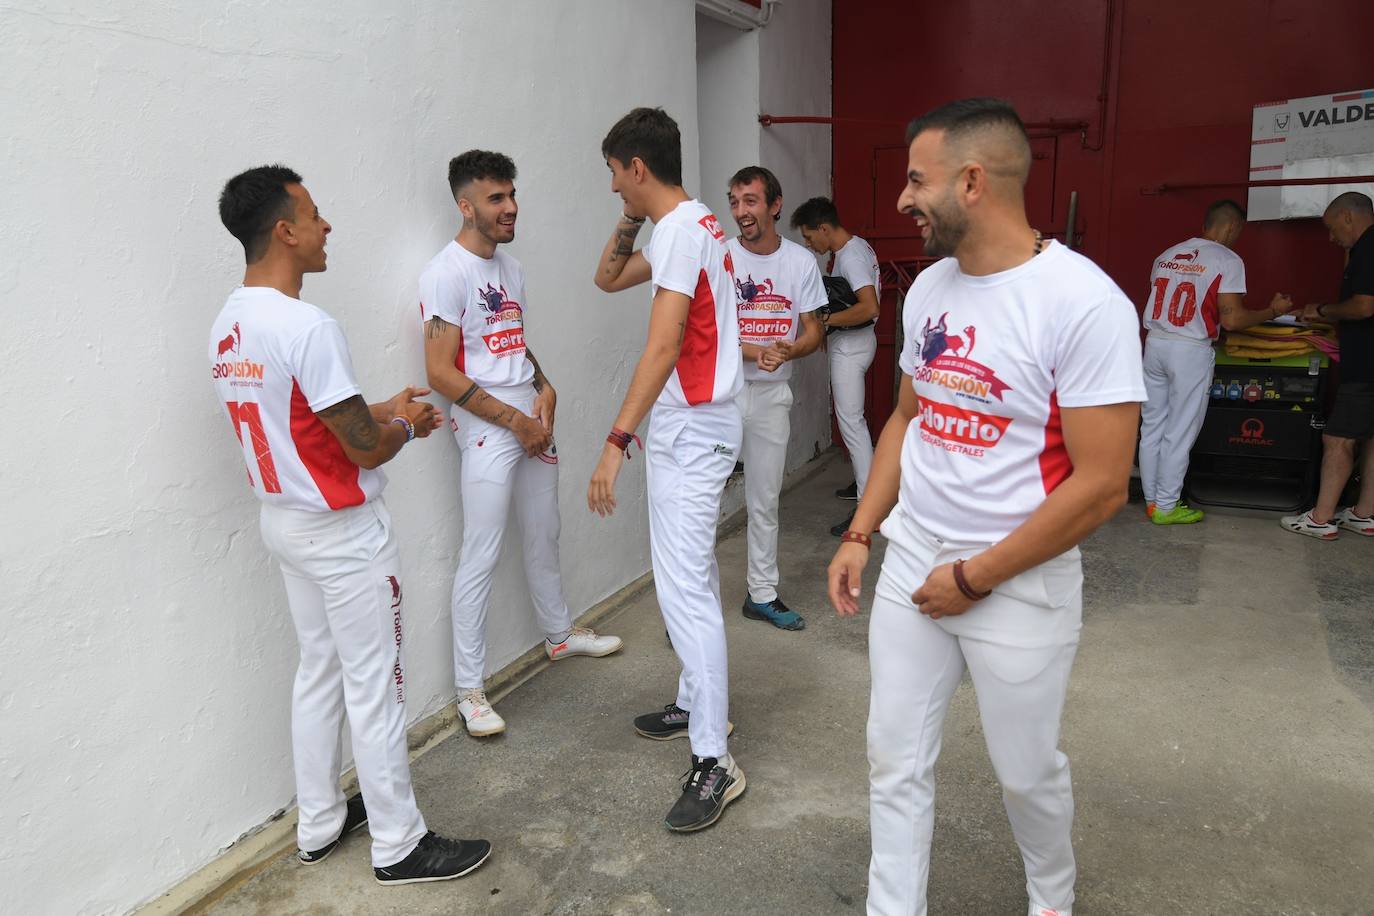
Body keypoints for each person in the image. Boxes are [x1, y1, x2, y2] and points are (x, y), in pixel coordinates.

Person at [826, 99, 1145, 916]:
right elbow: (908, 415)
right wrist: (863, 531)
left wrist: (975, 577)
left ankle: (1051, 898)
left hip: (1020, 579)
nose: (903, 199)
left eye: (916, 180)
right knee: (894, 759)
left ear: (972, 182)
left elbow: (1103, 484)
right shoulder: (930, 288)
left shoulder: (1084, 303)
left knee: (1026, 773)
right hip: (914, 556)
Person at [209, 165, 490, 885]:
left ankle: (320, 821)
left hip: (286, 523)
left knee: (319, 672)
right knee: (376, 688)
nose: (325, 225)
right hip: (342, 535)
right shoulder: (306, 325)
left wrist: (379, 409)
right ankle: (399, 844)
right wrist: (407, 424)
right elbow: (362, 445)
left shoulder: (230, 322)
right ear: (284, 231)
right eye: (313, 213)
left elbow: (307, 416)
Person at [421, 150, 622, 737]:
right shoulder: (445, 273)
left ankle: (558, 636)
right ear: (466, 207)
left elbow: (510, 340)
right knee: (481, 550)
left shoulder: (510, 267)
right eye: (496, 198)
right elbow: (440, 372)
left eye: (512, 195)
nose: (511, 207)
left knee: (544, 529)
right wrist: (515, 421)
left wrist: (544, 383)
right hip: (488, 425)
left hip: (529, 415)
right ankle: (469, 690)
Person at [587, 107, 746, 832]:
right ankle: (695, 700)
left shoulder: (682, 230)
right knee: (693, 576)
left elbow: (663, 343)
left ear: (638, 166)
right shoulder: (691, 223)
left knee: (683, 588)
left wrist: (615, 440)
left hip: (694, 425)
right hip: (695, 423)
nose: (613, 188)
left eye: (615, 175)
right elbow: (607, 278)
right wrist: (631, 219)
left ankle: (715, 758)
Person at [1139, 200, 1295, 525]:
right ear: (1233, 226)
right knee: (1180, 430)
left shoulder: (1167, 255)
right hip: (1190, 349)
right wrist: (1273, 311)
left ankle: (1153, 501)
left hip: (1155, 343)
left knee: (1152, 426)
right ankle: (1166, 506)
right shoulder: (1227, 259)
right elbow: (1233, 319)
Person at [725, 165, 827, 631]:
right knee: (700, 504)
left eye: (750, 201)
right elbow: (705, 333)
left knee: (764, 500)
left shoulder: (800, 262)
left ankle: (761, 594)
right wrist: (755, 352)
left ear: (775, 204)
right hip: (720, 397)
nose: (740, 211)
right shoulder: (721, 258)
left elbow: (814, 332)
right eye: (735, 202)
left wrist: (790, 350)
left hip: (770, 398)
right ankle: (690, 609)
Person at [1283, 191, 1374, 539]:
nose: (1331, 238)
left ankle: (1320, 519)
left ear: (1348, 216)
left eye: (1333, 228)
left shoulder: (1368, 248)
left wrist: (1321, 310)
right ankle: (1364, 514)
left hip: (1365, 366)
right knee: (1370, 438)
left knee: (1337, 439)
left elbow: (1364, 307)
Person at [791, 196, 881, 536]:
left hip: (851, 349)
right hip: (856, 344)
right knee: (854, 424)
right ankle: (863, 484)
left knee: (852, 425)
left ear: (824, 229)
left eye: (809, 236)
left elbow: (869, 307)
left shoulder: (851, 257)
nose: (808, 244)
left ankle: (867, 509)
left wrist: (824, 321)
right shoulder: (854, 248)